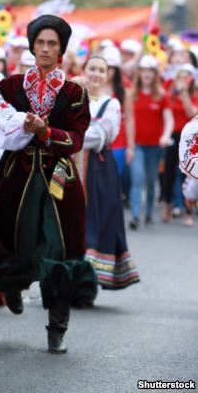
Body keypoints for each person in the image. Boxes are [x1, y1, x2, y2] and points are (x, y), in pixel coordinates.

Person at [0, 14, 96, 354]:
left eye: (52, 43)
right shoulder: (9, 86)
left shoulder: (76, 93)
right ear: (32, 46)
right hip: (17, 178)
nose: (46, 49)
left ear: (61, 50)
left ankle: (57, 325)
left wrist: (46, 133)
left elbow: (77, 139)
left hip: (59, 184)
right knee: (15, 239)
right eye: (40, 43)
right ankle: (12, 284)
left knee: (58, 251)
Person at [76, 56, 140, 294]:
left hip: (97, 168)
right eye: (92, 69)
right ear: (84, 70)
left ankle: (87, 282)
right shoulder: (73, 96)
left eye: (101, 70)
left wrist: (69, 134)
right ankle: (63, 279)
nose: (96, 74)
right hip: (70, 166)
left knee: (98, 217)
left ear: (107, 75)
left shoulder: (110, 103)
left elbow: (102, 135)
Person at [126, 55, 174, 229]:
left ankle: (147, 214)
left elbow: (169, 120)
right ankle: (136, 216)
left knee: (152, 180)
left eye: (150, 71)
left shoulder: (162, 95)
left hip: (155, 146)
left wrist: (165, 135)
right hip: (137, 145)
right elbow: (129, 121)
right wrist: (130, 146)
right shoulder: (132, 94)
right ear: (139, 73)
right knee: (137, 178)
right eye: (143, 70)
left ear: (155, 74)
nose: (146, 74)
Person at [161, 63, 197, 226]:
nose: (183, 80)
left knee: (187, 174)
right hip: (174, 136)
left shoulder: (194, 95)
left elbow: (191, 113)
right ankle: (168, 205)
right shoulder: (170, 94)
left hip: (190, 138)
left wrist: (184, 93)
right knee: (168, 173)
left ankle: (188, 211)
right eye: (180, 77)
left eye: (186, 77)